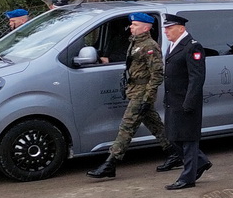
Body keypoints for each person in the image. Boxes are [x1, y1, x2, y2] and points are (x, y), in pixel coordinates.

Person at [87, 13, 178, 179]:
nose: (131, 27)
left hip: (142, 92)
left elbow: (157, 74)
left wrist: (147, 98)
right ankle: (175, 153)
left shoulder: (150, 46)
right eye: (132, 24)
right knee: (155, 124)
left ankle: (111, 163)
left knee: (127, 126)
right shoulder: (135, 42)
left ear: (146, 27)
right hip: (134, 89)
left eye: (135, 24)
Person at [160, 15, 211, 189]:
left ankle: (187, 178)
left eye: (169, 28)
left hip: (186, 101)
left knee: (188, 140)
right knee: (173, 137)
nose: (166, 31)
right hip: (173, 100)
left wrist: (189, 102)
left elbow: (196, 78)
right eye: (165, 28)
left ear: (181, 28)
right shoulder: (173, 45)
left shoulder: (192, 46)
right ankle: (201, 162)